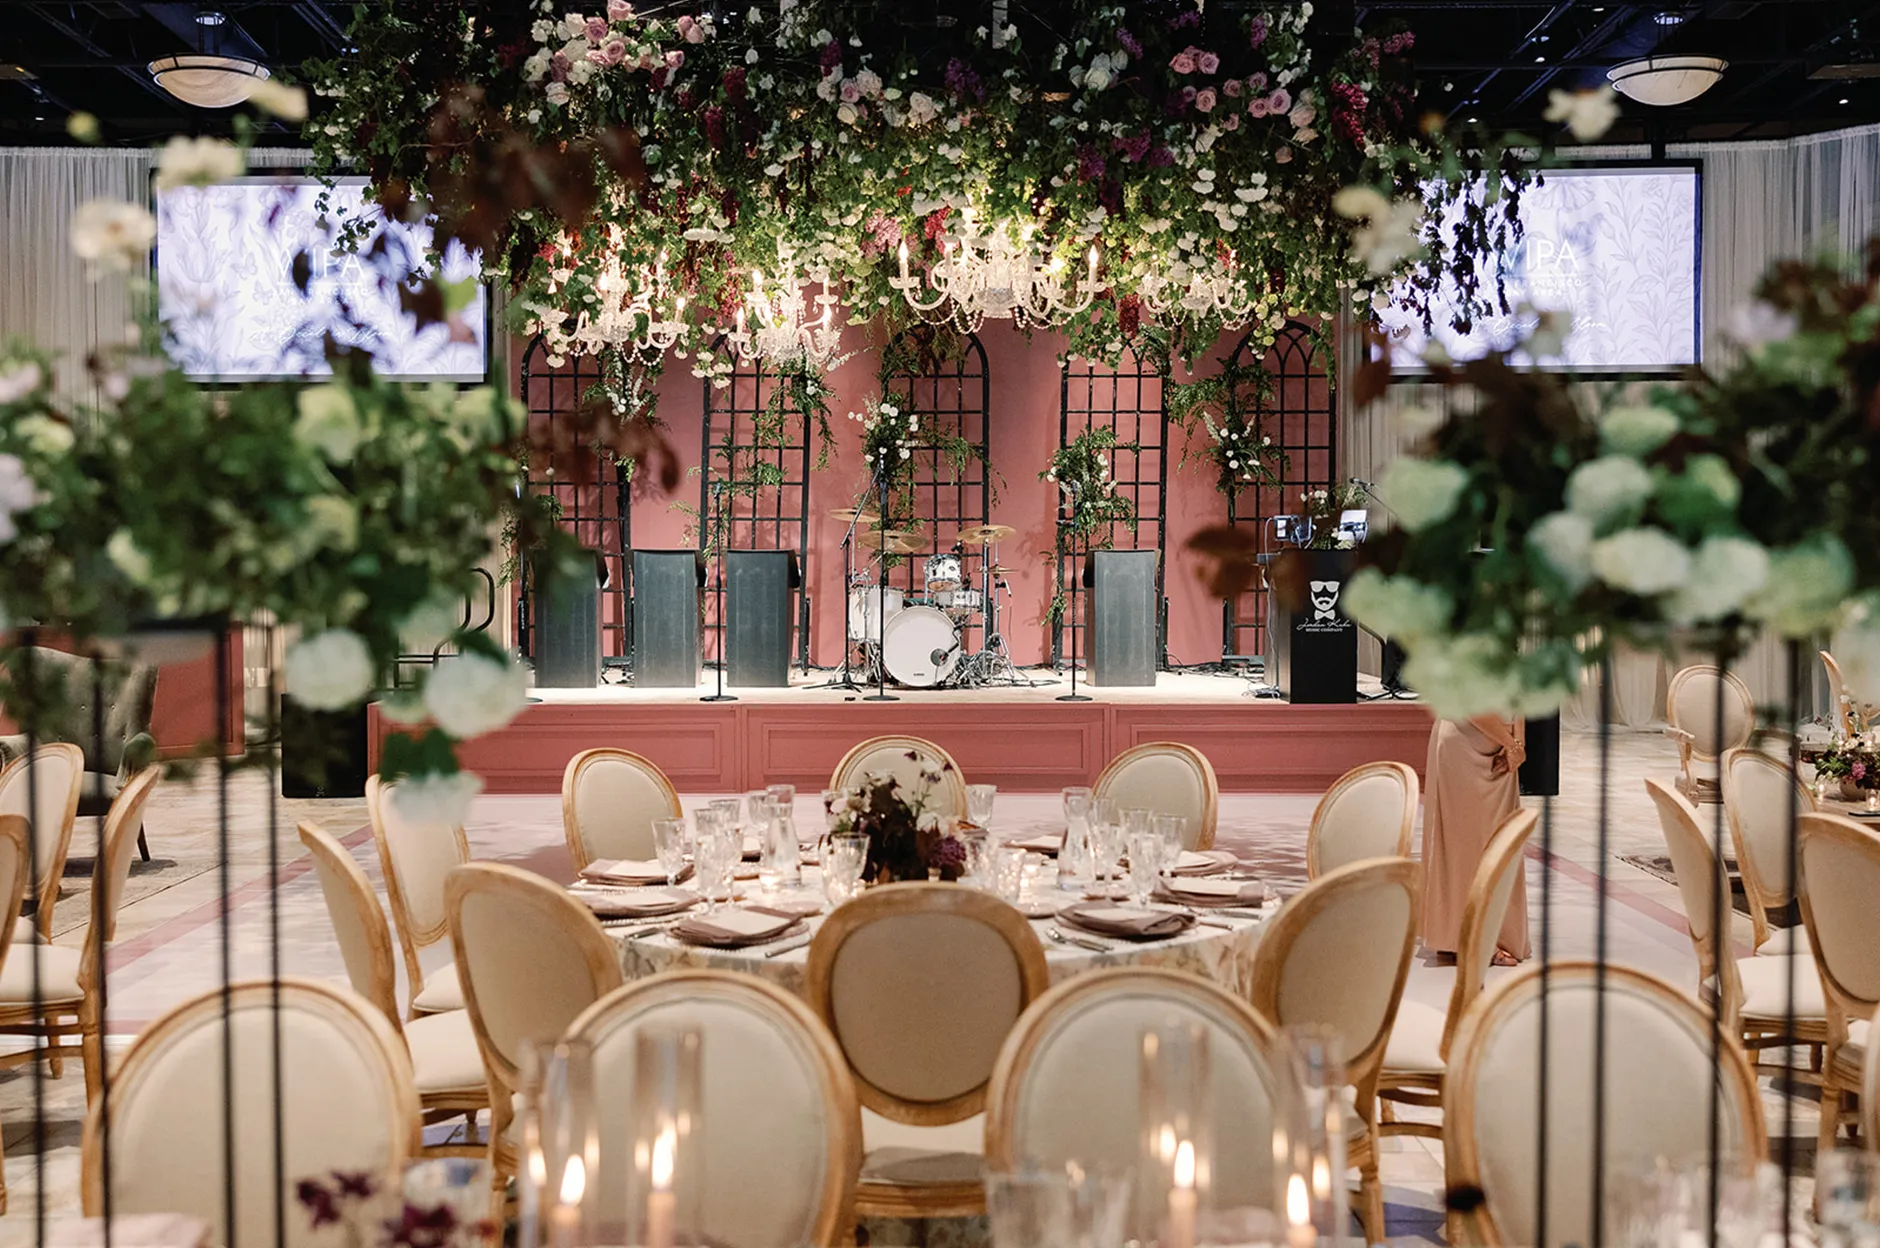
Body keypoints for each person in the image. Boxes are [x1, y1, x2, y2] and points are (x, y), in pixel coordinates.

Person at [1420, 715, 1530, 964]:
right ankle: (1472, 937)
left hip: (1500, 745)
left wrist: (1518, 743)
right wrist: (1511, 743)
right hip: (1465, 742)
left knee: (1497, 841)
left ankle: (1462, 935)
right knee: (1467, 845)